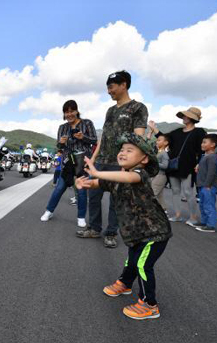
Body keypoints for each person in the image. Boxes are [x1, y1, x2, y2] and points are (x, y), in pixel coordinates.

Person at [76, 133, 171, 320]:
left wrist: (97, 172)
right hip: (135, 233)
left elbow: (124, 178)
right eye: (121, 149)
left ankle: (149, 305)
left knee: (143, 264)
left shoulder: (139, 175)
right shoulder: (116, 178)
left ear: (144, 159)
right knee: (132, 261)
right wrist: (85, 183)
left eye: (129, 150)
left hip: (154, 232)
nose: (122, 153)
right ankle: (125, 283)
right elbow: (98, 182)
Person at [82, 70, 148, 248]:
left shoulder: (138, 108)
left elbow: (138, 137)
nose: (109, 91)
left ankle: (111, 233)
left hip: (120, 163)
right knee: (93, 195)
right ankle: (94, 228)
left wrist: (130, 164)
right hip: (101, 160)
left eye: (111, 87)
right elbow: (103, 136)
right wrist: (93, 159)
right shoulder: (110, 110)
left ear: (123, 85)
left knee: (116, 199)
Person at [41, 100, 97, 228]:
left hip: (83, 161)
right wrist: (61, 142)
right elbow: (59, 147)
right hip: (68, 162)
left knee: (81, 190)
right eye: (66, 112)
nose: (69, 114)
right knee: (59, 188)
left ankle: (81, 217)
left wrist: (83, 137)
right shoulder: (62, 127)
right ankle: (49, 211)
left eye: (72, 111)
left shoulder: (87, 123)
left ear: (77, 111)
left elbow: (94, 140)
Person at [150, 108, 206, 226]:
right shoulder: (177, 132)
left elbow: (202, 149)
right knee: (175, 191)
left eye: (186, 116)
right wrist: (154, 128)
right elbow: (164, 138)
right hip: (173, 165)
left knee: (188, 192)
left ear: (193, 118)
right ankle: (177, 215)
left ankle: (193, 217)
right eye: (184, 115)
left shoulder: (199, 132)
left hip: (188, 165)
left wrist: (199, 163)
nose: (184, 117)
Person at [191, 134, 217, 233]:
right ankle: (204, 222)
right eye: (202, 142)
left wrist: (207, 185)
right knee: (203, 204)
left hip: (208, 186)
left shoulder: (212, 157)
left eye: (205, 142)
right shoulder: (206, 156)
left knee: (208, 205)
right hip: (202, 185)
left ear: (213, 145)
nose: (202, 144)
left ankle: (210, 225)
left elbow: (212, 172)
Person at [150, 134, 170, 210]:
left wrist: (155, 162)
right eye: (157, 140)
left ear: (165, 142)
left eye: (159, 140)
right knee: (159, 196)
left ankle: (153, 213)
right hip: (156, 175)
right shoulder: (158, 151)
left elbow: (165, 166)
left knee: (152, 194)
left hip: (160, 176)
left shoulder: (164, 153)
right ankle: (164, 210)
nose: (157, 141)